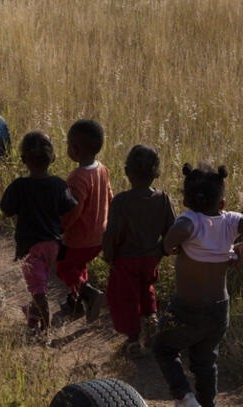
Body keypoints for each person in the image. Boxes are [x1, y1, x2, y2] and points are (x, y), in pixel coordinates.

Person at [153, 163, 243, 407]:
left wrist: (167, 247)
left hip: (186, 308)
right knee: (205, 362)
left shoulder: (189, 221)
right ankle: (207, 404)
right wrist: (242, 247)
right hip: (219, 310)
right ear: (222, 203)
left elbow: (175, 236)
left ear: (185, 199)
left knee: (163, 347)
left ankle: (184, 396)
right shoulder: (231, 221)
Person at [0, 131, 77, 338]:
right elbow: (68, 207)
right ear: (53, 158)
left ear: (23, 159)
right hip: (54, 245)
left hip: (31, 247)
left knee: (38, 289)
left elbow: (6, 210)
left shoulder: (19, 186)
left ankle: (45, 328)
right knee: (39, 283)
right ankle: (32, 317)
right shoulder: (59, 185)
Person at [102, 145, 175, 356]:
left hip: (126, 259)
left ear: (127, 171)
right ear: (156, 173)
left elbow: (112, 234)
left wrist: (109, 255)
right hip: (151, 258)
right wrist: (161, 251)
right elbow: (172, 230)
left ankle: (133, 340)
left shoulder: (121, 202)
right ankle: (152, 320)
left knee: (127, 299)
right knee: (146, 290)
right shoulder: (163, 198)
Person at [57, 119, 113, 322]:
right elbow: (110, 197)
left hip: (78, 238)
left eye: (68, 144)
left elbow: (74, 210)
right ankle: (75, 303)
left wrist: (61, 228)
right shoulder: (103, 169)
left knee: (63, 266)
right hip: (99, 237)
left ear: (75, 148)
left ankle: (88, 293)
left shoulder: (77, 177)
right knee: (79, 266)